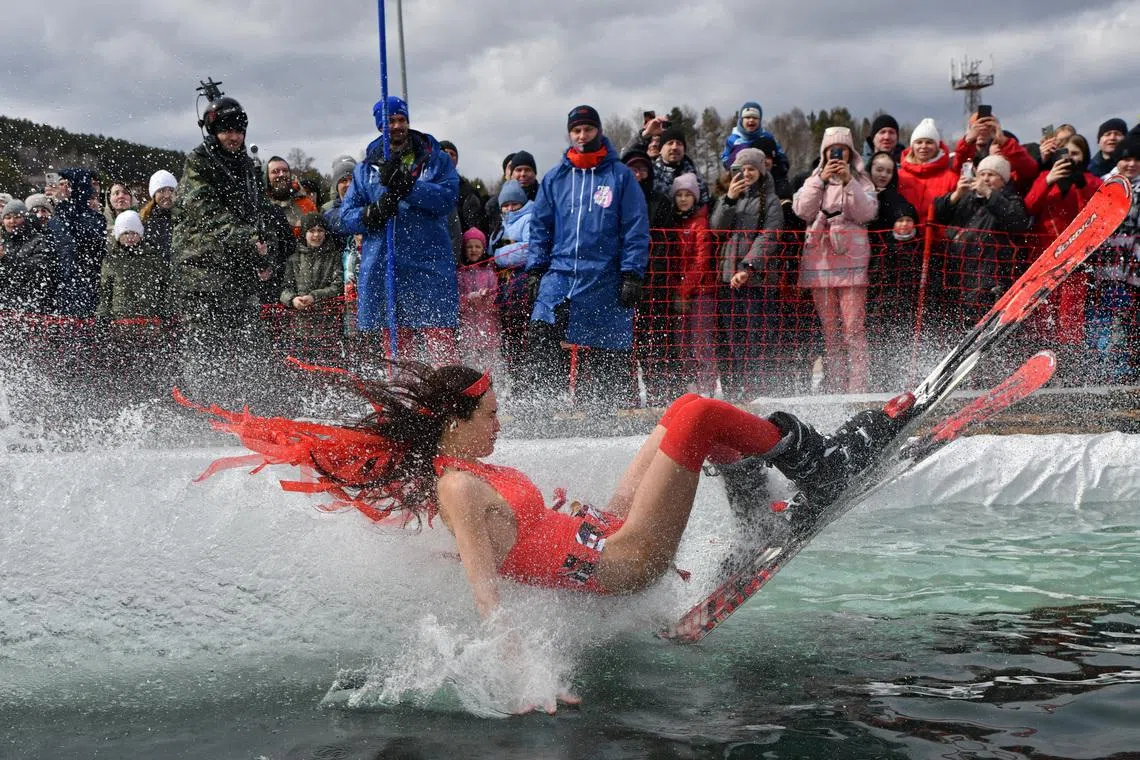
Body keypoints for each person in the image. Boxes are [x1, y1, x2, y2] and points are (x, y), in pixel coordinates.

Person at [181, 363, 915, 674]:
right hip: (626, 559)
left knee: (681, 414)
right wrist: (516, 668)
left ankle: (756, 514)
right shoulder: (461, 490)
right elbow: (484, 589)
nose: (501, 423)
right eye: (491, 414)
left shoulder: (476, 467)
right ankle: (820, 461)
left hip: (605, 528)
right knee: (696, 418)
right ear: (457, 423)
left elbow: (528, 537)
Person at [522, 105, 650, 408]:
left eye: (588, 129)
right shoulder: (555, 178)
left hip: (605, 276)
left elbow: (635, 227)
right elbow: (540, 227)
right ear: (569, 134)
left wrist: (632, 273)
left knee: (609, 345)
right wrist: (536, 269)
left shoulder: (620, 176)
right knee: (542, 335)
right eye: (576, 130)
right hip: (561, 274)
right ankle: (541, 405)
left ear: (599, 131)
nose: (582, 136)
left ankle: (606, 409)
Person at [340, 95, 461, 365]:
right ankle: (402, 397)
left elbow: (448, 197)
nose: (397, 126)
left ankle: (450, 397)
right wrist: (371, 214)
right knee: (398, 347)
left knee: (440, 341)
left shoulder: (436, 160)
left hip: (429, 263)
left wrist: (410, 187)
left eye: (401, 119)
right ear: (379, 126)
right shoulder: (365, 170)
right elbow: (346, 217)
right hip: (387, 263)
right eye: (389, 121)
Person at [793, 127, 879, 393]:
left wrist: (848, 182)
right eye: (832, 151)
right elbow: (802, 210)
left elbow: (867, 213)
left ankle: (858, 386)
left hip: (851, 263)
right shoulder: (814, 179)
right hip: (820, 265)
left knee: (853, 329)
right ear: (824, 153)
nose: (836, 156)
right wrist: (820, 179)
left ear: (850, 153)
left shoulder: (862, 181)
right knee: (830, 332)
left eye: (841, 151)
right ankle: (835, 383)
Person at [1023, 133, 1104, 373]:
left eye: (1075, 154)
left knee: (1070, 317)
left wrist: (1080, 184)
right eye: (1065, 154)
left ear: (1084, 156)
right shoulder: (1044, 178)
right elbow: (1029, 206)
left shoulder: (1091, 181)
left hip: (1076, 261)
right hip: (1043, 259)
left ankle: (1069, 367)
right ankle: (1037, 363)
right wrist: (1047, 180)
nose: (1070, 160)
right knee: (1042, 313)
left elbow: (1099, 212)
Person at [710, 148, 784, 400]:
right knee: (730, 338)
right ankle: (733, 390)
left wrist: (747, 268)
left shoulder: (771, 202)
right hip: (726, 278)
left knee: (755, 338)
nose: (746, 174)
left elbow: (769, 237)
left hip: (755, 281)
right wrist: (729, 200)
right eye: (740, 170)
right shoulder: (729, 196)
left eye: (751, 169)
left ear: (761, 171)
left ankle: (756, 389)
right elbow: (717, 228)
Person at [932, 154, 1031, 328]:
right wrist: (956, 195)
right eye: (982, 174)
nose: (985, 178)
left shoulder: (1012, 200)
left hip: (991, 278)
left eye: (991, 175)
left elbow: (1018, 222)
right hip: (959, 274)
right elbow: (938, 216)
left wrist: (989, 195)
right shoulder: (967, 197)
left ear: (1004, 180)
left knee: (986, 326)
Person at [1085, 133, 1140, 382]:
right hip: (1104, 268)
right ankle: (1099, 368)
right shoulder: (1104, 184)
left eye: (1137, 159)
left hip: (1134, 268)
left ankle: (1125, 371)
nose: (1131, 164)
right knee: (1103, 318)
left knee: (1128, 320)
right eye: (1126, 158)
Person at [866, 151, 921, 389]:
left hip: (888, 274)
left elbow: (907, 214)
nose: (883, 175)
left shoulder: (895, 200)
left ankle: (891, 383)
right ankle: (874, 380)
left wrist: (901, 219)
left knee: (890, 330)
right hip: (864, 269)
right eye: (879, 169)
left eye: (888, 171)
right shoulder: (859, 192)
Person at [488, 180, 535, 389]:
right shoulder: (501, 224)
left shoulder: (528, 219)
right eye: (505, 205)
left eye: (514, 204)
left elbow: (529, 249)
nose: (509, 208)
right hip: (504, 287)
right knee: (509, 336)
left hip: (521, 284)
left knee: (522, 334)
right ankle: (515, 378)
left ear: (522, 203)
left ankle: (527, 380)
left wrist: (499, 255)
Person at [96, 210, 170, 319]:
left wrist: (165, 310)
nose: (130, 237)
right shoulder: (111, 260)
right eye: (125, 233)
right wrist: (103, 314)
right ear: (118, 235)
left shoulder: (153, 257)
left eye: (134, 233)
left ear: (140, 235)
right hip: (121, 315)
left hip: (149, 314)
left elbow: (164, 286)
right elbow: (105, 291)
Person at [53, 167, 107, 316]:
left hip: (87, 288)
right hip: (61, 289)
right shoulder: (57, 217)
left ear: (78, 187)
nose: (64, 188)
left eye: (68, 184)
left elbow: (92, 250)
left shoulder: (95, 219)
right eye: (61, 184)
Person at [954, 109, 1039, 193]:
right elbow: (959, 169)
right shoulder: (977, 167)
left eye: (1002, 145)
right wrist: (967, 141)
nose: (999, 148)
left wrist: (1003, 140)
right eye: (996, 143)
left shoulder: (1015, 173)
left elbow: (1030, 169)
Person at [456, 227, 502, 373]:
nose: (473, 250)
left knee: (492, 364)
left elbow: (496, 297)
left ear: (483, 248)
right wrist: (469, 299)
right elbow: (457, 301)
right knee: (471, 365)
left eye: (477, 246)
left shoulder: (489, 272)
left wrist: (487, 296)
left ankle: (498, 388)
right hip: (468, 330)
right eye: (469, 246)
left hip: (488, 329)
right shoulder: (460, 274)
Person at [896, 118, 958, 224]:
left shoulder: (951, 178)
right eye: (919, 142)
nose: (923, 146)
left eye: (929, 142)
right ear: (912, 146)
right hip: (905, 238)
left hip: (938, 238)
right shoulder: (899, 176)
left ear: (937, 147)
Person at [0, 199, 58, 313]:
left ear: (25, 219)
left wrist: (5, 258)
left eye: (17, 217)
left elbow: (37, 270)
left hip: (32, 306)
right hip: (5, 306)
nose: (12, 221)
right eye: (8, 218)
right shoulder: (3, 243)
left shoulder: (39, 240)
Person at [719, 101, 790, 175]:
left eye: (755, 118)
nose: (751, 120)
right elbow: (725, 157)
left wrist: (782, 165)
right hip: (741, 175)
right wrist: (730, 167)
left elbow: (779, 153)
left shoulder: (767, 137)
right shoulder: (733, 139)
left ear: (759, 120)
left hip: (763, 175)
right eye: (747, 117)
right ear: (741, 120)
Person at [139, 169, 178, 263]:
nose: (167, 195)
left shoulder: (186, 216)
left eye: (171, 190)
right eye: (161, 190)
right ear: (154, 195)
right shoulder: (144, 221)